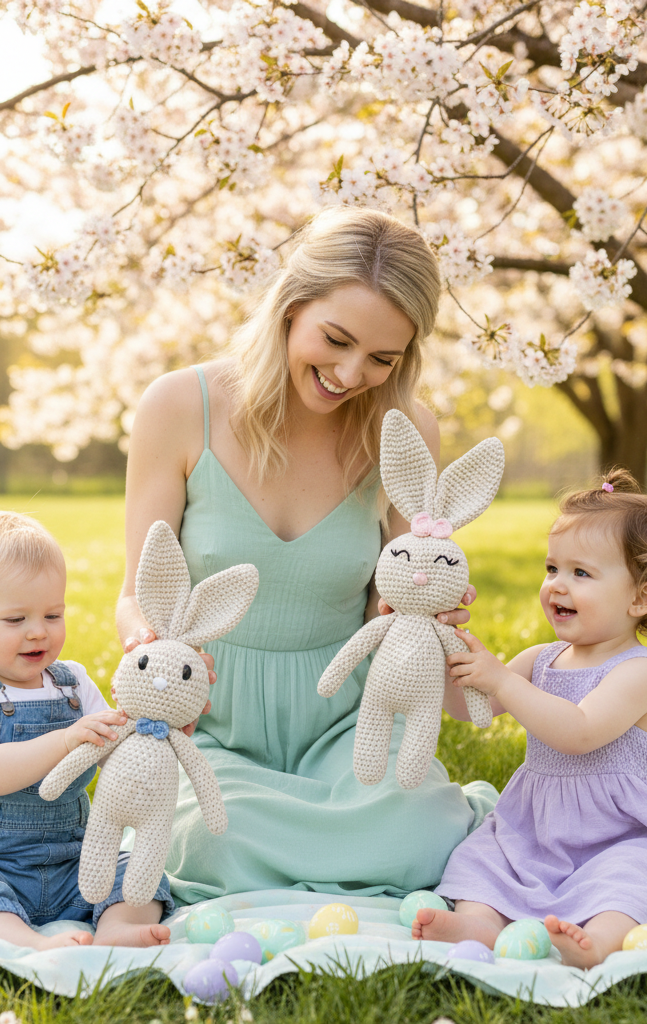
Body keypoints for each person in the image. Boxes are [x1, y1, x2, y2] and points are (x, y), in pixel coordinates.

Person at [117, 207, 499, 904]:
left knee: (423, 829)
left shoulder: (403, 430)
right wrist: (145, 640)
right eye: (337, 339)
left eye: (382, 358)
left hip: (347, 726)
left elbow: (397, 597)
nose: (352, 373)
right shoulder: (179, 405)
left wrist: (427, 616)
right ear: (292, 308)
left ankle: (334, 851)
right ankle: (329, 859)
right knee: (211, 839)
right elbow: (136, 592)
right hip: (210, 727)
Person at [413, 470, 647, 967]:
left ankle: (599, 939)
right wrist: (444, 653)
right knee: (486, 855)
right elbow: (466, 709)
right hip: (540, 828)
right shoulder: (542, 658)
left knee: (632, 875)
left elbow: (579, 732)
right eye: (552, 568)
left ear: (642, 598)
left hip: (626, 831)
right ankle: (479, 923)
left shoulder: (638, 672)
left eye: (581, 574)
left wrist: (503, 681)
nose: (557, 586)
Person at [0, 511, 175, 950]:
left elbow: (113, 749)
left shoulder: (72, 682)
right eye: (16, 620)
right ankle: (24, 940)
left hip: (72, 860)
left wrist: (144, 721)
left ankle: (116, 927)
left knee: (138, 870)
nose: (38, 632)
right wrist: (67, 738)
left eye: (53, 614)